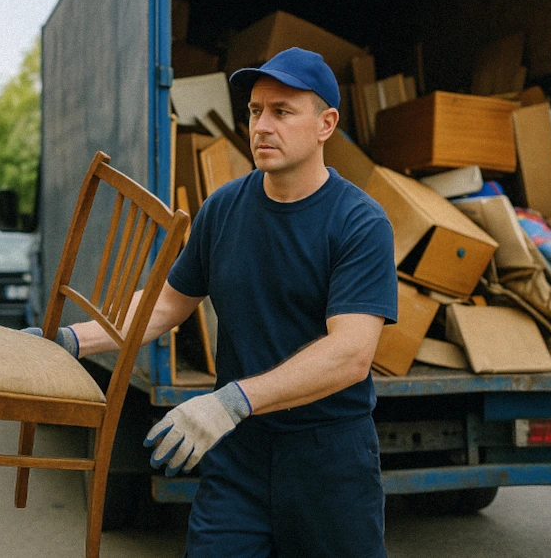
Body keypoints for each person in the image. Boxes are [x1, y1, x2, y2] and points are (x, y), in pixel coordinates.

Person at [22, 47, 398, 557]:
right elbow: (166, 305)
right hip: (238, 461)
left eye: (282, 112)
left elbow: (351, 354)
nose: (262, 125)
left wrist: (231, 401)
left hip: (327, 462)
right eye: (254, 111)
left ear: (326, 124)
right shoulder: (224, 208)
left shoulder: (359, 223)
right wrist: (66, 341)